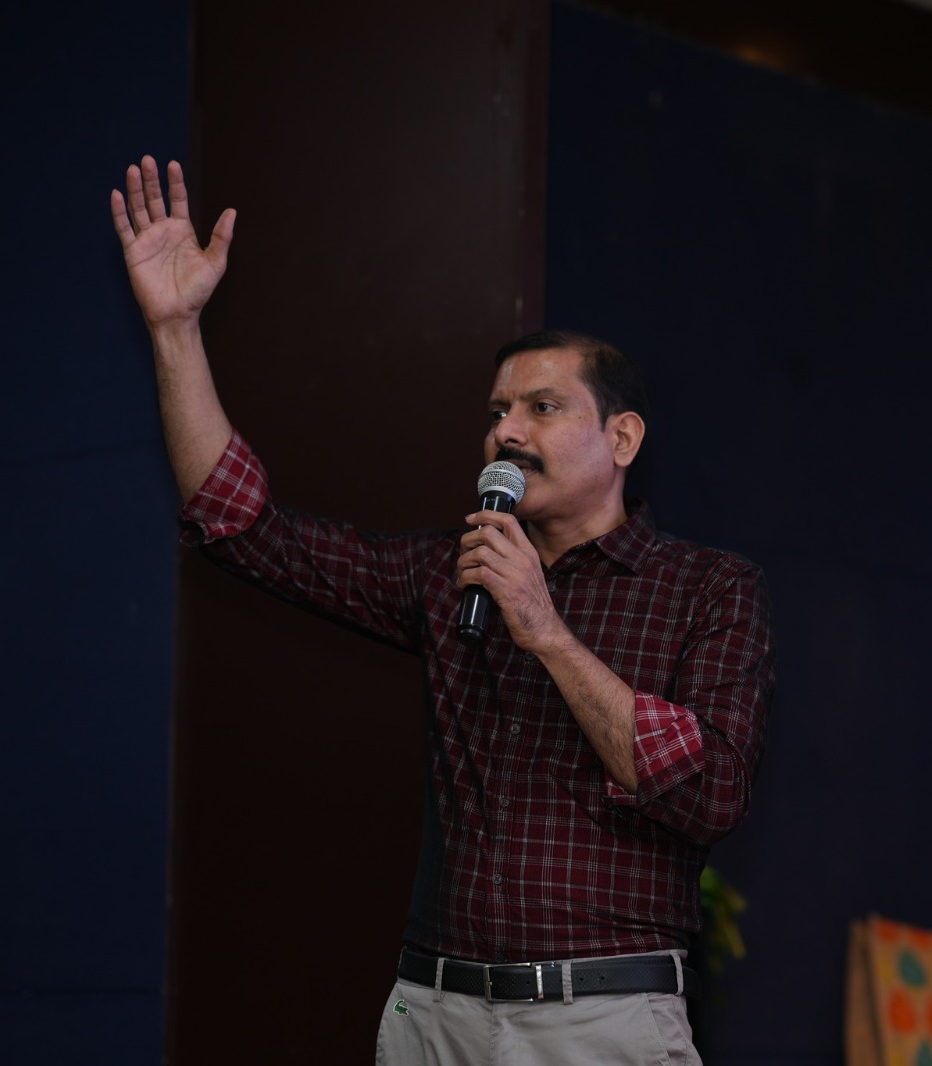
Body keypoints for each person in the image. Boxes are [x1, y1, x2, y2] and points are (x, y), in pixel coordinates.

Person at [111, 155, 776, 1064]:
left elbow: (713, 793)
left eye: (543, 407)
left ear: (622, 437)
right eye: (498, 411)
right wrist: (175, 329)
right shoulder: (449, 571)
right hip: (435, 1016)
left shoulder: (709, 588)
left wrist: (544, 629)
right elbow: (242, 527)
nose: (507, 431)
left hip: (599, 1019)